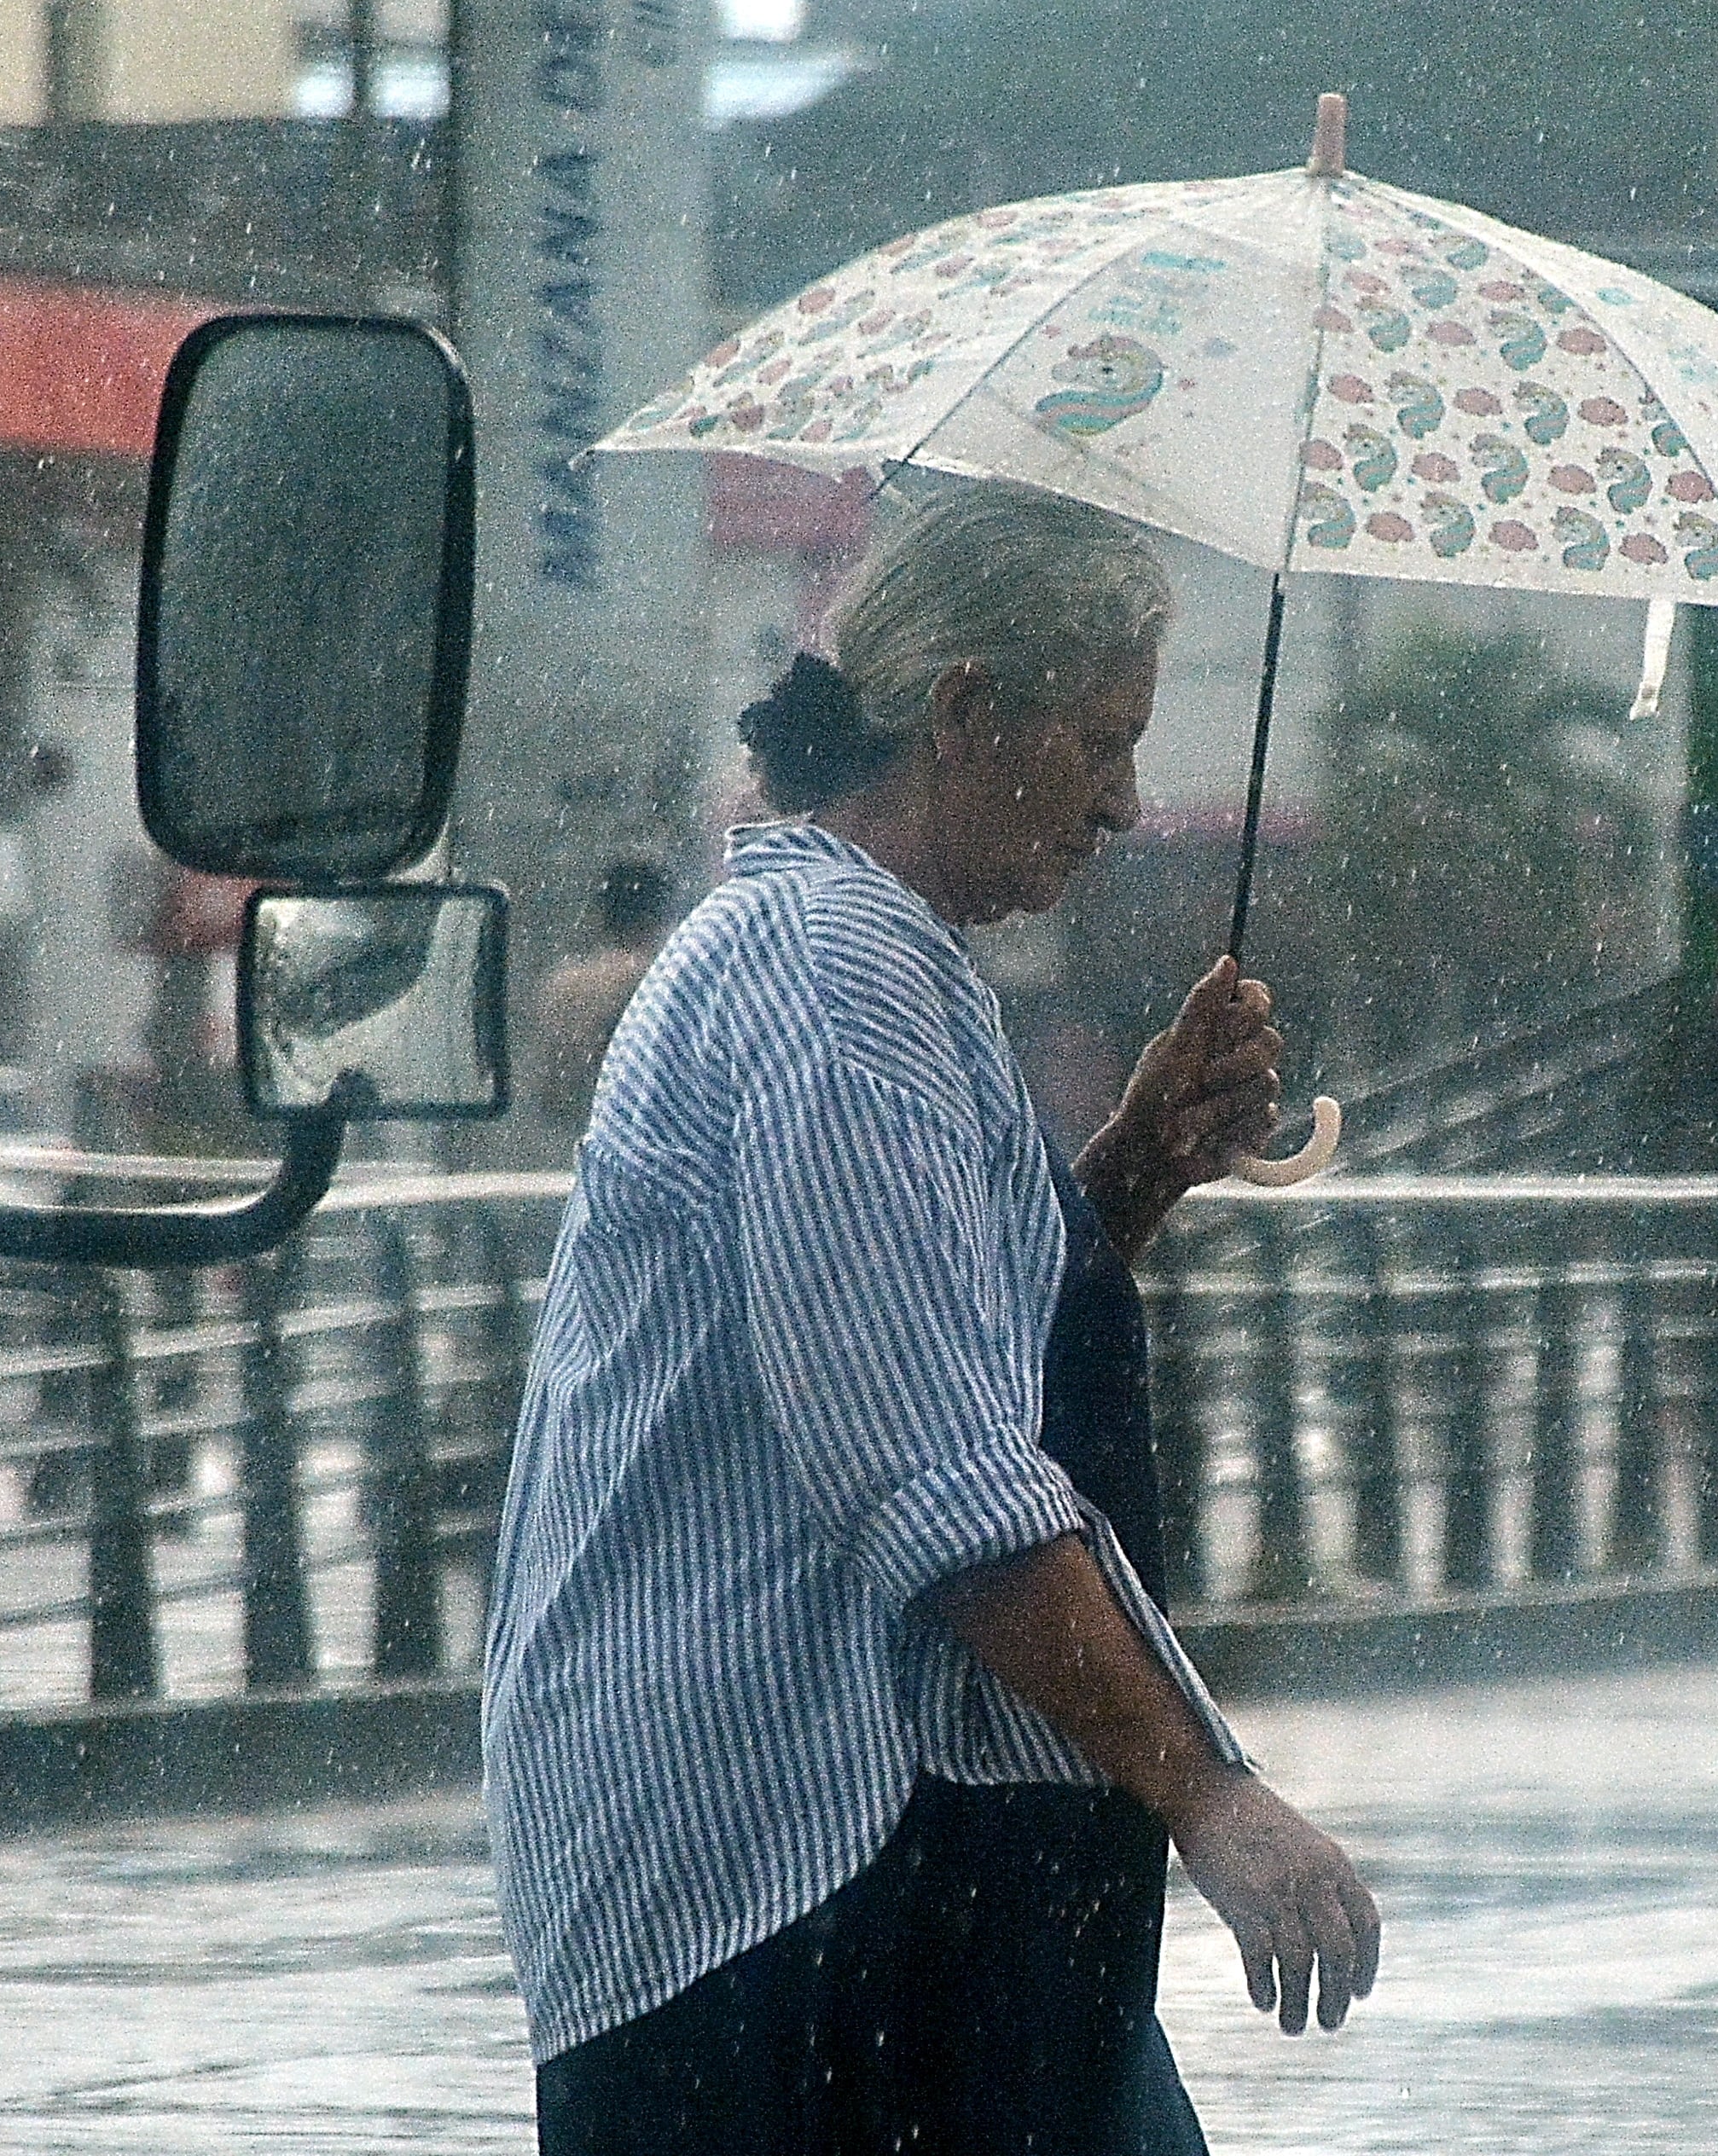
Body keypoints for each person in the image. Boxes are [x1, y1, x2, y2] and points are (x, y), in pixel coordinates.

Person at [483, 484, 1380, 2156]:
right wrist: (1214, 1795)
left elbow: (928, 1335)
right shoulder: (836, 979)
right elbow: (931, 1482)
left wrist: (1132, 1169)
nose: (1125, 800)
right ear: (967, 708)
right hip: (780, 1880)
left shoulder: (863, 959)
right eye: (1105, 740)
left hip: (872, 1873)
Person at [531, 859, 677, 1133]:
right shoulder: (669, 982)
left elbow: (551, 1096)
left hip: (572, 1146)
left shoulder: (568, 989)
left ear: (600, 918)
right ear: (660, 920)